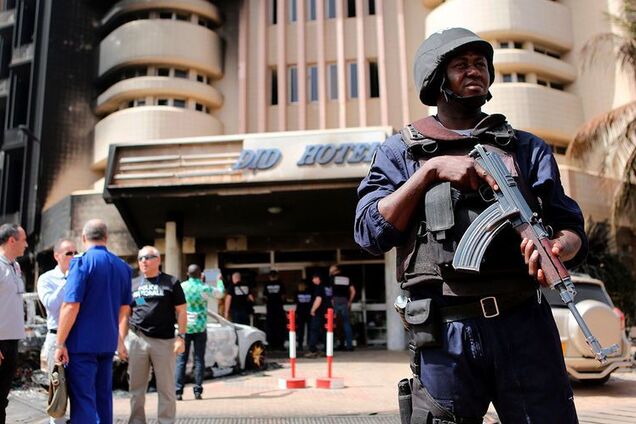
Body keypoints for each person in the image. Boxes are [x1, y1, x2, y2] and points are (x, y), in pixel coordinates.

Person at [354, 28, 587, 423]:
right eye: (460, 65)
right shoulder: (401, 152)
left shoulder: (526, 148)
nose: (474, 70)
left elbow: (571, 227)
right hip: (446, 331)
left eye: (480, 63)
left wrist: (560, 247)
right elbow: (369, 233)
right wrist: (430, 172)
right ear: (435, 79)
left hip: (524, 324)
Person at [54, 219, 132, 424]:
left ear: (83, 238)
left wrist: (60, 343)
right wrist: (120, 339)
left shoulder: (81, 263)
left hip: (81, 345)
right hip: (107, 343)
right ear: (106, 238)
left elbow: (71, 305)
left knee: (83, 401)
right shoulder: (122, 267)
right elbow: (125, 309)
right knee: (103, 398)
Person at [121, 246, 186, 424]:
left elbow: (181, 311)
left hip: (164, 342)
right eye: (140, 258)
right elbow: (126, 312)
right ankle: (136, 421)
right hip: (137, 339)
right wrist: (122, 341)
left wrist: (181, 337)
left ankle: (165, 421)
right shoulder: (133, 283)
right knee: (136, 388)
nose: (143, 261)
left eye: (148, 257)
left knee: (166, 388)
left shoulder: (171, 282)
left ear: (158, 260)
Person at [37, 238, 77, 424]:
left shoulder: (81, 277)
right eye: (69, 253)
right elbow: (51, 305)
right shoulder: (46, 279)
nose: (73, 257)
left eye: (75, 253)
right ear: (57, 256)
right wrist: (69, 280)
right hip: (56, 338)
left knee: (80, 391)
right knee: (58, 391)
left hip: (78, 338)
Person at [175, 264, 218, 401]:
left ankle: (178, 392)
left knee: (181, 360)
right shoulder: (204, 288)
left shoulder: (182, 286)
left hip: (184, 327)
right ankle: (198, 391)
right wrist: (220, 280)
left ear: (187, 274)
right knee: (199, 360)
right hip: (200, 328)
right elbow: (221, 293)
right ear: (201, 275)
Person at [0, 224, 28, 424]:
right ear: (11, 240)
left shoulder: (15, 266)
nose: (26, 244)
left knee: (2, 397)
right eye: (23, 240)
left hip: (11, 340)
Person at [305, 273, 332, 358]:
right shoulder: (328, 288)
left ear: (318, 278)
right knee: (326, 331)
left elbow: (318, 299)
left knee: (314, 330)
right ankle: (327, 350)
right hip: (327, 313)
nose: (313, 280)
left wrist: (313, 309)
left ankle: (313, 350)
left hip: (319, 312)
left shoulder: (319, 287)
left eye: (314, 278)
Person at [329, 265, 355, 351]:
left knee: (337, 324)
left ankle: (341, 344)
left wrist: (332, 300)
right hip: (345, 301)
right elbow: (353, 291)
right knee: (346, 324)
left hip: (336, 301)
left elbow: (330, 291)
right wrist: (349, 301)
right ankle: (350, 346)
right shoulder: (346, 278)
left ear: (335, 270)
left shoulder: (332, 278)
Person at [263, 270, 286, 350]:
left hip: (270, 308)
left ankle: (271, 345)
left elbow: (265, 297)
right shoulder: (281, 284)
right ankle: (280, 345)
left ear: (269, 277)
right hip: (279, 308)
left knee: (270, 327)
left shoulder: (266, 285)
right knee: (280, 327)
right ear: (277, 276)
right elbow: (283, 296)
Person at [294, 279, 312, 353]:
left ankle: (300, 345)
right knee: (310, 329)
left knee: (300, 330)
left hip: (300, 313)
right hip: (308, 313)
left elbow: (295, 302)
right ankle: (310, 344)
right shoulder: (310, 292)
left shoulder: (297, 293)